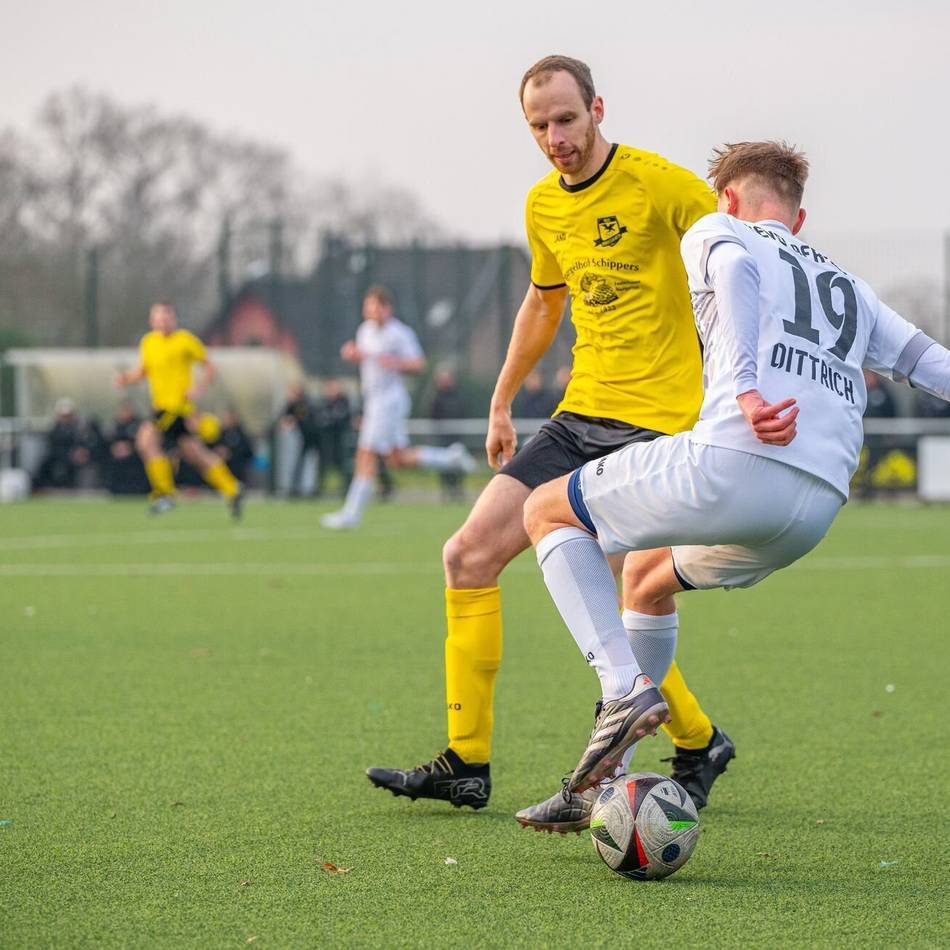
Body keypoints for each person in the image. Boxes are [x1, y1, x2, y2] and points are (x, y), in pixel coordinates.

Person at [517, 140, 950, 798]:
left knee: (545, 510)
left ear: (727, 198)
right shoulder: (851, 289)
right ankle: (605, 784)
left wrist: (745, 388)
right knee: (646, 578)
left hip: (737, 462)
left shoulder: (720, 228)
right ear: (798, 219)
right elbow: (928, 364)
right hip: (816, 506)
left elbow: (736, 273)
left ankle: (621, 690)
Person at [366, 56, 734, 827]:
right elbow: (542, 304)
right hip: (577, 417)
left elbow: (741, 271)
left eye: (566, 119)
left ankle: (696, 741)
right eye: (538, 126)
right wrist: (501, 401)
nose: (554, 138)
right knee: (467, 555)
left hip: (659, 424)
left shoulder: (666, 187)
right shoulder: (542, 205)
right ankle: (467, 763)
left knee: (611, 588)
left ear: (598, 108)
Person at [320, 286, 475, 530]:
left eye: (376, 306)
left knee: (366, 453)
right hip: (373, 400)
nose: (371, 311)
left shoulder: (399, 333)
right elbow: (366, 361)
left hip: (390, 401)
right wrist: (353, 355)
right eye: (368, 306)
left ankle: (351, 513)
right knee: (397, 459)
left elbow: (418, 364)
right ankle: (450, 458)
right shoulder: (364, 331)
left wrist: (394, 362)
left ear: (387, 308)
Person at [115, 301, 244, 517]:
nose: (162, 321)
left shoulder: (185, 340)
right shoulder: (149, 343)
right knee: (194, 453)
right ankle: (232, 489)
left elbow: (209, 365)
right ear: (151, 320)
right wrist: (126, 378)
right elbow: (144, 371)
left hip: (176, 407)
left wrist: (198, 389)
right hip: (162, 406)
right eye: (158, 317)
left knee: (146, 441)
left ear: (173, 318)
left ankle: (165, 494)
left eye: (166, 316)